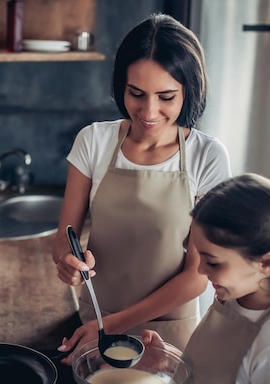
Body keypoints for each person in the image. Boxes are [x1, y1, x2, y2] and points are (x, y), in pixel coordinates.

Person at [53, 12, 231, 362]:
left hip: (168, 329)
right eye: (137, 93)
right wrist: (67, 262)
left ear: (188, 91)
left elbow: (198, 275)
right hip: (95, 321)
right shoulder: (93, 141)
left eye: (166, 97)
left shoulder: (207, 156)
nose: (148, 111)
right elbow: (65, 237)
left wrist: (116, 324)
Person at [101, 173, 270, 384]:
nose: (200, 270)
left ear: (267, 263)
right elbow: (225, 379)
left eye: (213, 262)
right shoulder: (232, 298)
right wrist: (172, 362)